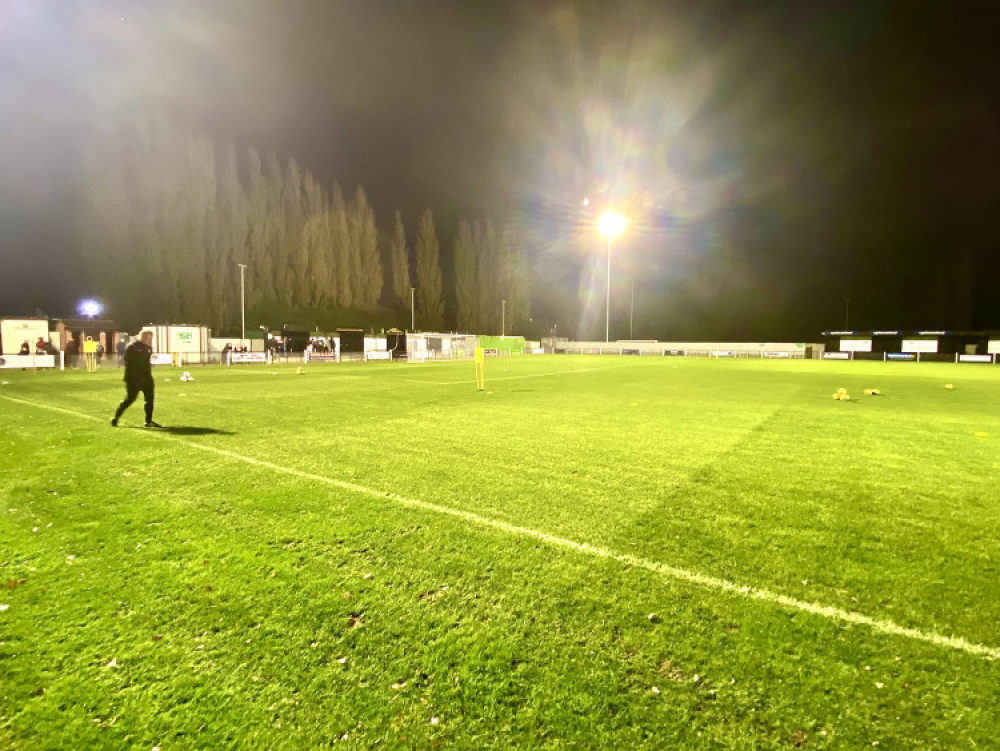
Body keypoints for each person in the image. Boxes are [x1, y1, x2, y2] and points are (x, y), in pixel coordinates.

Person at [111, 331, 161, 428]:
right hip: (134, 377)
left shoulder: (149, 348)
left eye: (151, 338)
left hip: (146, 377)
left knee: (150, 399)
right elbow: (128, 361)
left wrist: (149, 365)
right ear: (143, 337)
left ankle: (148, 421)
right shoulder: (132, 347)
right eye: (149, 338)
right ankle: (116, 417)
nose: (150, 340)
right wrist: (141, 364)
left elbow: (147, 361)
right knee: (130, 399)